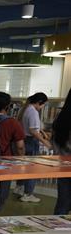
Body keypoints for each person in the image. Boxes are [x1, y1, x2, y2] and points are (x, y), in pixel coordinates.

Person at [15, 92, 51, 202]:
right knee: (32, 168)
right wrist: (45, 142)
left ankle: (19, 187)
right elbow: (33, 130)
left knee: (23, 166)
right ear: (39, 102)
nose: (43, 107)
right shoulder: (33, 112)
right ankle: (28, 194)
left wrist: (42, 132)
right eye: (43, 104)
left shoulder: (25, 109)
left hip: (24, 140)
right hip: (31, 141)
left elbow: (34, 127)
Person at [51, 87, 71, 215]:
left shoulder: (61, 116)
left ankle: (56, 225)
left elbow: (55, 141)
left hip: (63, 165)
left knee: (62, 203)